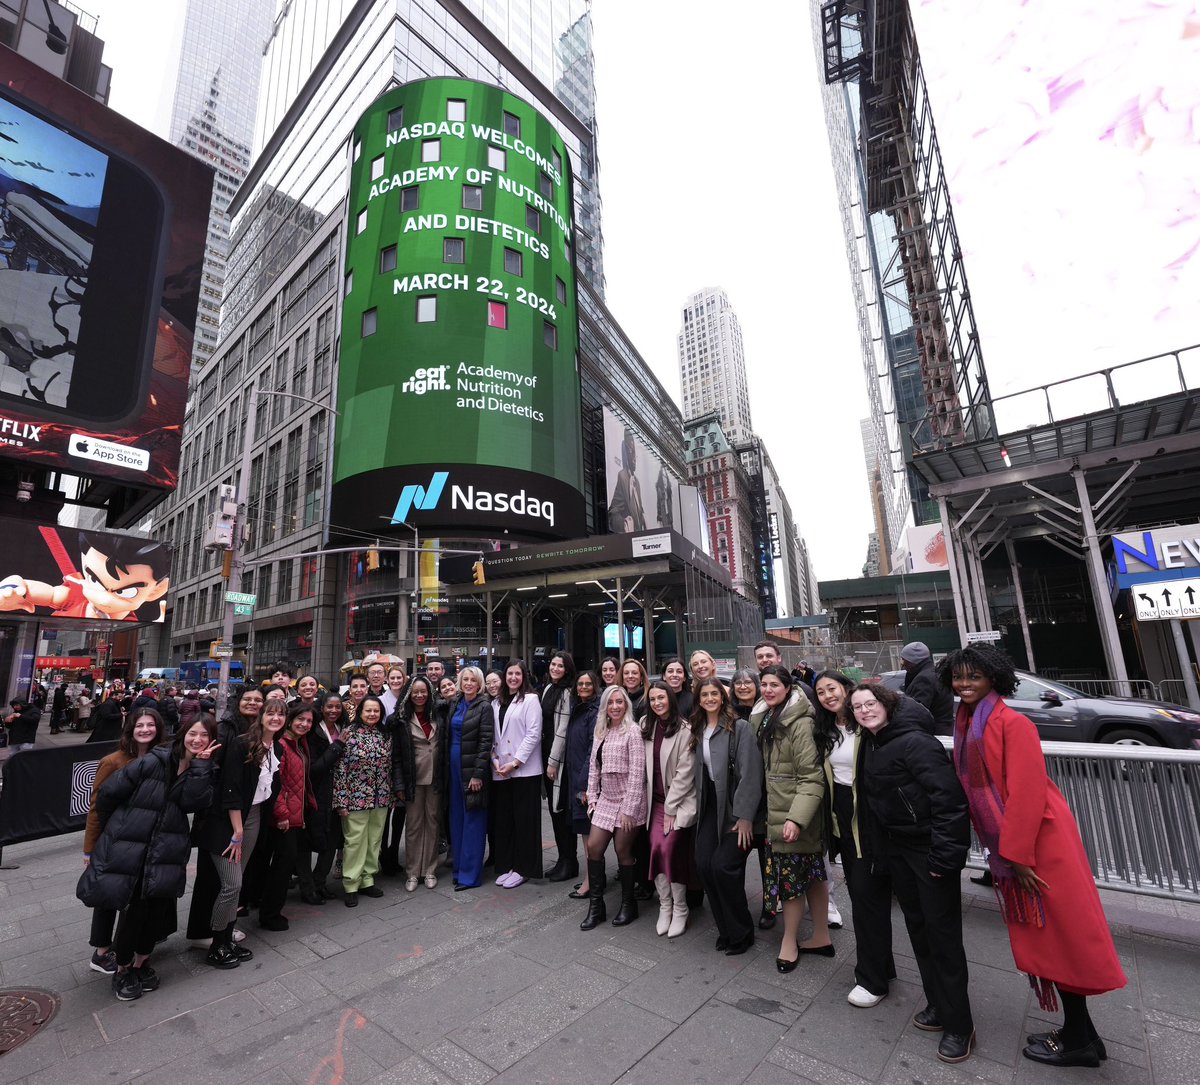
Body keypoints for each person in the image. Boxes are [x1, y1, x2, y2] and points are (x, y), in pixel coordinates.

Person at [940, 646, 1126, 1068]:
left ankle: (1078, 1037)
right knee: (1053, 939)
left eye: (973, 677)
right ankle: (1084, 1034)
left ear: (993, 678)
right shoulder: (969, 719)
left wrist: (1017, 857)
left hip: (1039, 845)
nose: (964, 684)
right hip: (1018, 844)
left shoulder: (1012, 722)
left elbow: (1027, 794)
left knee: (1060, 939)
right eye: (957, 677)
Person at [851, 682, 974, 1064]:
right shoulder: (873, 744)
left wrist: (945, 858)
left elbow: (949, 802)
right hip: (898, 852)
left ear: (886, 704)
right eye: (857, 707)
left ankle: (960, 1026)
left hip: (928, 854)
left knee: (943, 938)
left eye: (870, 703)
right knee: (919, 931)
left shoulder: (916, 743)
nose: (865, 710)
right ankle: (939, 1005)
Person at [77, 712, 219, 1000]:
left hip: (167, 849)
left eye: (205, 735)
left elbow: (194, 802)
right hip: (133, 846)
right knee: (134, 912)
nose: (198, 740)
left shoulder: (201, 768)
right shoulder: (154, 760)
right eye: (193, 733)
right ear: (182, 733)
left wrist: (202, 765)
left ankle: (143, 961)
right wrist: (113, 835)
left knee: (156, 910)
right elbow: (107, 796)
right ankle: (123, 968)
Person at [813, 670, 896, 1008]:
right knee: (865, 895)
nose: (827, 696)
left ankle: (872, 978)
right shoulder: (828, 730)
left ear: (847, 688)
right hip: (845, 818)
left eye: (832, 688)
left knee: (868, 896)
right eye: (820, 692)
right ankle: (880, 968)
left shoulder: (871, 724)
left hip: (875, 816)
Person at [188, 685, 281, 967]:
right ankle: (216, 942)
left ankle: (224, 939)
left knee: (232, 884)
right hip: (225, 818)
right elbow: (230, 784)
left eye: (259, 701)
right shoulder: (231, 732)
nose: (254, 704)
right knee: (230, 884)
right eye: (248, 699)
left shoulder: (262, 738)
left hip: (250, 814)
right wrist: (237, 828)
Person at [752, 665, 829, 973]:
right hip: (783, 810)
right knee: (812, 875)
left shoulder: (799, 722)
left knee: (792, 881)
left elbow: (811, 777)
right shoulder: (768, 715)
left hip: (793, 815)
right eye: (765, 684)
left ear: (788, 687)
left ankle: (790, 940)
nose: (768, 689)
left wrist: (796, 819)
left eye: (774, 684)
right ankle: (821, 935)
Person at [82, 708, 166, 975]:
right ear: (130, 730)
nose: (145, 730)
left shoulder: (162, 758)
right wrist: (89, 849)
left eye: (150, 725)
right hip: (115, 840)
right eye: (139, 725)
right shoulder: (113, 761)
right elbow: (96, 808)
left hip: (146, 841)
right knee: (109, 893)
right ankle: (101, 951)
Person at [692, 677, 763, 955]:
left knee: (723, 866)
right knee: (704, 864)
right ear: (698, 699)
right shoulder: (698, 729)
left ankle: (742, 932)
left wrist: (745, 817)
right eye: (704, 694)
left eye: (714, 694)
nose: (710, 698)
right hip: (710, 804)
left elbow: (750, 774)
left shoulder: (739, 727)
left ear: (723, 698)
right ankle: (725, 931)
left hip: (736, 807)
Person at [581, 685, 647, 930]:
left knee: (622, 849)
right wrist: (593, 800)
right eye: (611, 702)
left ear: (626, 705)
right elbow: (593, 769)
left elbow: (638, 774)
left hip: (629, 801)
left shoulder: (633, 731)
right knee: (593, 847)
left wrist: (629, 809)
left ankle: (629, 905)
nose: (616, 706)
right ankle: (596, 907)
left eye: (620, 702)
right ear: (605, 707)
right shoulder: (602, 731)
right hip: (606, 800)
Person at [256, 701, 318, 929]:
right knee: (283, 865)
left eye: (309, 721)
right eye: (300, 719)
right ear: (290, 720)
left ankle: (268, 907)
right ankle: (270, 914)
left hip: (294, 814)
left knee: (284, 862)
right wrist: (281, 813)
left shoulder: (299, 744)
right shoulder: (282, 745)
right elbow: (276, 783)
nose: (304, 724)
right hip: (282, 818)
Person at [641, 681, 696, 938]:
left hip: (678, 801)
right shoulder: (645, 726)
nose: (657, 703)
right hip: (654, 803)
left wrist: (673, 808)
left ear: (670, 699)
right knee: (655, 848)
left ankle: (681, 908)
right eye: (652, 699)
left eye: (661, 698)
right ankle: (665, 905)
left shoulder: (685, 729)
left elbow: (685, 773)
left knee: (670, 848)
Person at [332, 694, 393, 906]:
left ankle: (368, 879)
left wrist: (391, 794)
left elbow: (390, 767)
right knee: (354, 841)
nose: (372, 714)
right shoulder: (348, 734)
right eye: (368, 710)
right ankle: (351, 883)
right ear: (360, 712)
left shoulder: (385, 735)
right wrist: (340, 800)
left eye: (376, 711)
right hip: (354, 798)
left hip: (380, 797)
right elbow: (340, 769)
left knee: (374, 839)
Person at [490, 660, 544, 888]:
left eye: (517, 674)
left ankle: (524, 868)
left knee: (525, 822)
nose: (513, 677)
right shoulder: (495, 702)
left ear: (524, 677)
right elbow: (494, 734)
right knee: (505, 821)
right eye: (509, 673)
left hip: (524, 770)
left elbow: (533, 734)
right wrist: (493, 759)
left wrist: (515, 762)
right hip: (501, 770)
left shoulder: (530, 700)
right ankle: (508, 865)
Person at [444, 666, 492, 891]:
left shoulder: (484, 706)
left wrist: (478, 774)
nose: (469, 683)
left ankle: (469, 875)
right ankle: (458, 869)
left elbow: (486, 742)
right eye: (465, 679)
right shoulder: (455, 703)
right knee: (456, 819)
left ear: (479, 683)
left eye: (473, 680)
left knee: (473, 821)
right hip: (453, 769)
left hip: (472, 770)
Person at [393, 675, 443, 892]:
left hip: (436, 779)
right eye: (416, 692)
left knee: (432, 823)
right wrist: (400, 785)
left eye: (424, 692)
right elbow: (396, 756)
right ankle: (413, 872)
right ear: (409, 695)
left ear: (430, 693)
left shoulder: (440, 714)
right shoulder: (401, 719)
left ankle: (430, 870)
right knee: (413, 826)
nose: (420, 695)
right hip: (413, 779)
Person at [557, 671, 601, 900]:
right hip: (575, 776)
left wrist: (584, 785)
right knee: (585, 834)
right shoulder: (579, 707)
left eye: (588, 684)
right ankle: (593, 878)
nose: (584, 686)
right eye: (580, 683)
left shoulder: (593, 712)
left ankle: (591, 882)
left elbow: (593, 750)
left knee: (589, 836)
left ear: (595, 687)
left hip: (584, 782)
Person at [297, 695, 345, 903]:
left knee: (332, 841)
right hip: (315, 794)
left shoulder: (344, 728)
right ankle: (307, 888)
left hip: (338, 794)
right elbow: (314, 768)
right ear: (322, 708)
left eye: (337, 707)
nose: (333, 710)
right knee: (308, 842)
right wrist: (337, 746)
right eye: (329, 707)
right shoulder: (313, 732)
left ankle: (320, 882)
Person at [540, 651, 578, 882]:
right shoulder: (548, 689)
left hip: (558, 761)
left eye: (560, 666)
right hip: (545, 756)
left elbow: (562, 731)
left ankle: (570, 861)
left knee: (561, 811)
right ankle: (563, 859)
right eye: (553, 664)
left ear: (567, 669)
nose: (555, 668)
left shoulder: (566, 692)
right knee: (554, 814)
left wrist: (553, 762)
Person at [901, 642, 953, 736]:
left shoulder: (924, 679)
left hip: (933, 733)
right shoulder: (936, 673)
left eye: (904, 660)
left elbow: (915, 712)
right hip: (945, 730)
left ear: (912, 661)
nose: (902, 664)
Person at [607, 427, 646, 532]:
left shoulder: (636, 482)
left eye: (634, 452)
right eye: (630, 451)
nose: (633, 458)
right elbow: (613, 511)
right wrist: (624, 524)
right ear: (625, 452)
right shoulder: (622, 477)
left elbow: (639, 512)